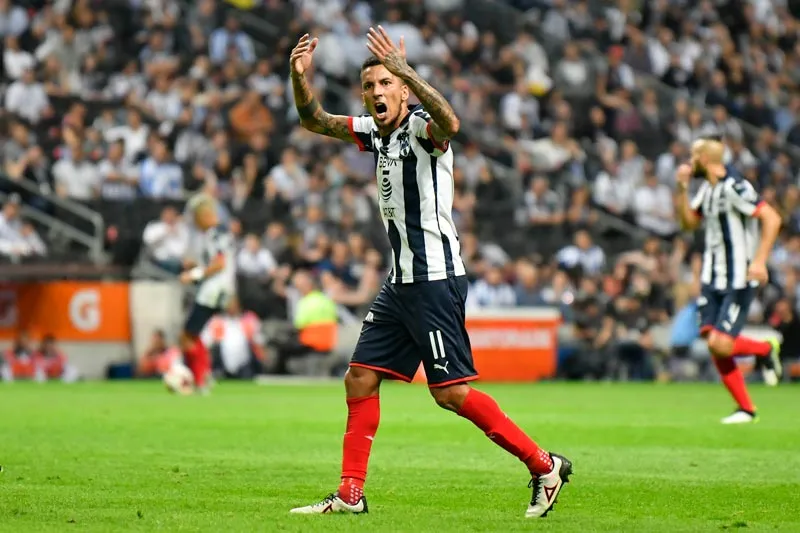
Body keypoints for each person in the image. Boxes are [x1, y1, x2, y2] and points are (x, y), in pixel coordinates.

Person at [287, 29, 571, 518]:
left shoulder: (421, 127)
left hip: (435, 280)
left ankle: (545, 466)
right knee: (360, 378)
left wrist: (408, 71)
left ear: (403, 89)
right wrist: (298, 78)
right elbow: (314, 119)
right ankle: (350, 494)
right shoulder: (374, 132)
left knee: (450, 393)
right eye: (369, 86)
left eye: (385, 83)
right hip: (400, 283)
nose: (376, 92)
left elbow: (451, 123)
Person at [675, 136, 783, 424]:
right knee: (712, 342)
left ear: (705, 159)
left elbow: (772, 218)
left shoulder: (735, 186)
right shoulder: (707, 190)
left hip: (738, 278)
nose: (690, 162)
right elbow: (688, 223)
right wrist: (682, 188)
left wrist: (759, 260)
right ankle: (746, 409)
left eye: (694, 156)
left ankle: (765, 348)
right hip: (712, 277)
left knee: (721, 344)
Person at [176, 194, 237, 394]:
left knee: (187, 336)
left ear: (204, 215)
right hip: (221, 288)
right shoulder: (222, 232)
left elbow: (219, 264)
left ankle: (199, 380)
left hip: (213, 290)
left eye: (196, 217)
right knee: (193, 334)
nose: (195, 223)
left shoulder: (215, 233)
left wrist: (194, 274)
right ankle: (203, 377)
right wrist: (196, 265)